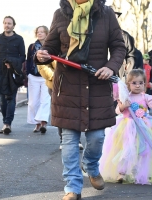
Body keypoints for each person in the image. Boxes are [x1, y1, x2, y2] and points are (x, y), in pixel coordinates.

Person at [35, 0, 126, 199]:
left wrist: (111, 67)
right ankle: (72, 187)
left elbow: (119, 46)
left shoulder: (106, 13)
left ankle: (91, 165)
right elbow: (50, 47)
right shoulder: (60, 13)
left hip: (97, 84)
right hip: (67, 87)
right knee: (69, 140)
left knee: (97, 138)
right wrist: (42, 55)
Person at [99, 69, 152, 185]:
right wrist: (123, 106)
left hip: (143, 126)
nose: (138, 86)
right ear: (128, 84)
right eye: (134, 83)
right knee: (126, 149)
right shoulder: (125, 96)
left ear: (144, 84)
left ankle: (142, 171)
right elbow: (117, 111)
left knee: (143, 149)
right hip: (127, 126)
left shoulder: (145, 96)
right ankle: (122, 172)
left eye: (140, 83)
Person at [37, 61, 84, 150]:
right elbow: (42, 65)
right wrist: (54, 77)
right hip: (56, 85)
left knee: (75, 111)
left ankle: (76, 139)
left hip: (75, 83)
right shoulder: (50, 47)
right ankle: (63, 139)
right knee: (61, 111)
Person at [0, 16, 25, 134]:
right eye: (5, 23)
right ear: (3, 24)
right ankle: (5, 122)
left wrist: (12, 62)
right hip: (0, 70)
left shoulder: (19, 39)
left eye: (9, 23)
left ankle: (7, 124)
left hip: (13, 71)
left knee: (11, 97)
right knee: (2, 98)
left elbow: (23, 56)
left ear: (13, 25)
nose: (7, 25)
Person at [26, 26, 51, 133]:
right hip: (33, 76)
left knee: (45, 100)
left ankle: (43, 123)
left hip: (46, 76)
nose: (39, 34)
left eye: (42, 32)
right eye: (38, 32)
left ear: (46, 33)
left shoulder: (50, 46)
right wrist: (27, 73)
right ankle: (36, 123)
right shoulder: (32, 46)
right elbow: (28, 61)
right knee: (32, 101)